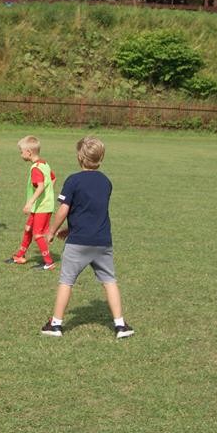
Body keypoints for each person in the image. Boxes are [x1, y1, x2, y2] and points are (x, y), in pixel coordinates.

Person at [41, 137, 134, 339]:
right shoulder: (106, 182)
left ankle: (55, 325)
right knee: (109, 281)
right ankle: (120, 326)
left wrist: (52, 231)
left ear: (79, 157)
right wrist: (69, 229)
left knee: (66, 282)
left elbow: (64, 210)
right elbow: (91, 211)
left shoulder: (73, 180)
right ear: (101, 157)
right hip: (102, 242)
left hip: (78, 243)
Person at [5, 135, 56, 270]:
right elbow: (53, 178)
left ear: (28, 152)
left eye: (21, 151)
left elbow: (40, 186)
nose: (20, 154)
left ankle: (49, 262)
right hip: (42, 205)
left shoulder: (35, 168)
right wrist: (48, 194)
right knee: (28, 229)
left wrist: (30, 202)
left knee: (37, 234)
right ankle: (19, 256)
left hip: (41, 207)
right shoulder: (44, 164)